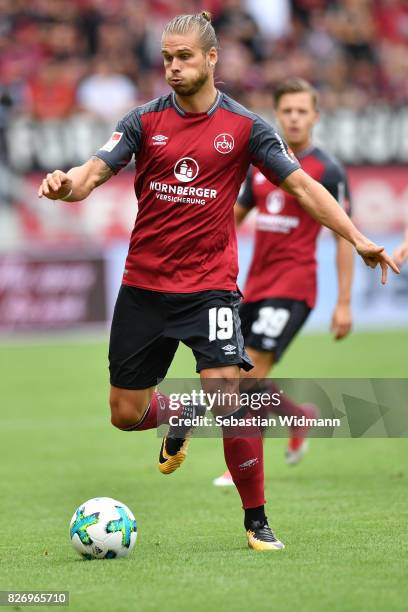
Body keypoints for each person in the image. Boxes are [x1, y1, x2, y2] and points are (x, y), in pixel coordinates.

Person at [38, 12, 398, 552]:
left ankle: (257, 521)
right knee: (125, 414)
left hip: (210, 288)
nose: (173, 67)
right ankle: (177, 411)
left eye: (184, 57)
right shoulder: (143, 120)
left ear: (211, 59)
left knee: (230, 396)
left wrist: (359, 236)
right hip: (144, 286)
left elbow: (303, 188)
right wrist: (66, 185)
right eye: (166, 58)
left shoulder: (248, 127)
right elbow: (92, 172)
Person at [214, 77, 354, 486]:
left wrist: (343, 302)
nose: (294, 118)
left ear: (315, 116)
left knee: (246, 374)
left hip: (294, 287)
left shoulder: (326, 170)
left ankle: (239, 462)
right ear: (278, 115)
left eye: (301, 111)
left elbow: (345, 236)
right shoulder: (262, 168)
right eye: (287, 111)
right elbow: (229, 223)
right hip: (253, 287)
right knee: (241, 374)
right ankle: (299, 416)